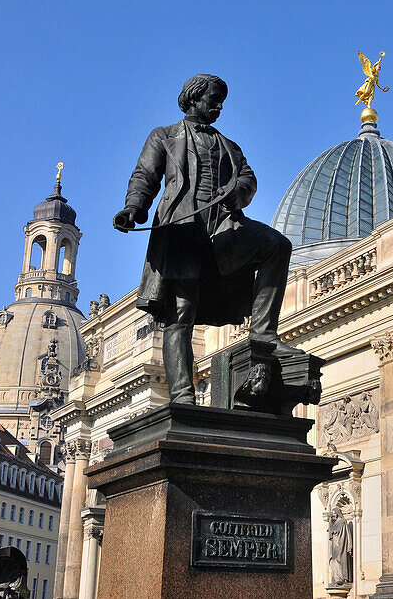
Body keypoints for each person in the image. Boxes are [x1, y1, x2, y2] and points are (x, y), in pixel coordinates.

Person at [114, 74, 300, 404]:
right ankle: (183, 395)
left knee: (276, 245)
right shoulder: (165, 136)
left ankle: (264, 333)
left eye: (222, 101)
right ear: (193, 98)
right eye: (213, 99)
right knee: (181, 312)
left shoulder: (229, 146)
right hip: (183, 228)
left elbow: (248, 179)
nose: (219, 106)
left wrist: (236, 194)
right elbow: (145, 175)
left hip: (223, 226)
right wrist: (133, 208)